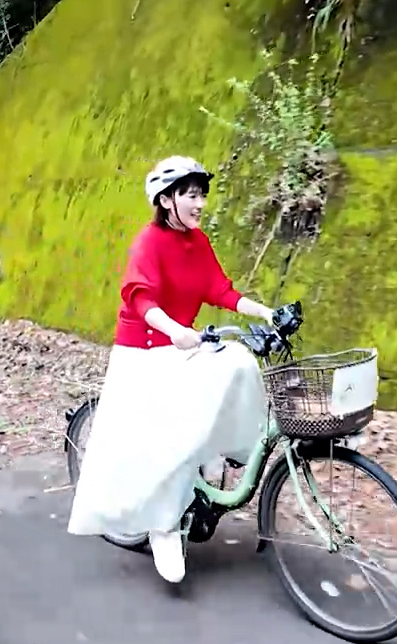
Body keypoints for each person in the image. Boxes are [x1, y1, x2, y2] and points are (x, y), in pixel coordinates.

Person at [67, 155, 277, 584]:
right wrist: (175, 330)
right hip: (145, 350)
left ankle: (230, 448)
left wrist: (266, 313)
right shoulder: (148, 242)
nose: (200, 204)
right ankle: (162, 525)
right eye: (190, 195)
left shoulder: (198, 243)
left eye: (202, 195)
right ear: (166, 200)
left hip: (184, 345)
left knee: (238, 362)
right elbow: (139, 298)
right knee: (171, 437)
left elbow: (220, 290)